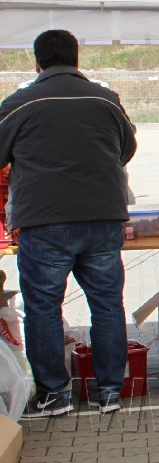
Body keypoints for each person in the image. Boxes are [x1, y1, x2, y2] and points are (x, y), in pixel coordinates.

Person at [0, 30, 137, 417]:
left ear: (37, 62)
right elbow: (126, 150)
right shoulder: (106, 99)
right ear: (77, 60)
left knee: (43, 308)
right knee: (108, 305)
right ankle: (110, 391)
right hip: (103, 218)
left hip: (45, 223)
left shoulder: (19, 102)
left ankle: (54, 395)